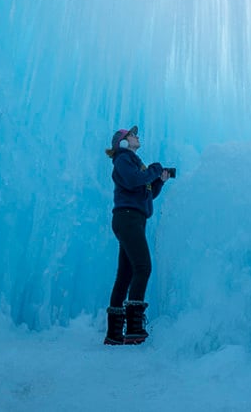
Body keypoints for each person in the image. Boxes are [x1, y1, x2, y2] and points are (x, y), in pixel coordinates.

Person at [103, 125, 172, 345]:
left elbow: (146, 194)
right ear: (123, 142)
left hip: (133, 219)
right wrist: (154, 168)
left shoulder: (134, 163)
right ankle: (133, 327)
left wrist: (159, 179)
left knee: (125, 274)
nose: (136, 136)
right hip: (128, 218)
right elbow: (135, 180)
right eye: (132, 135)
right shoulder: (123, 159)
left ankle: (114, 333)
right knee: (143, 267)